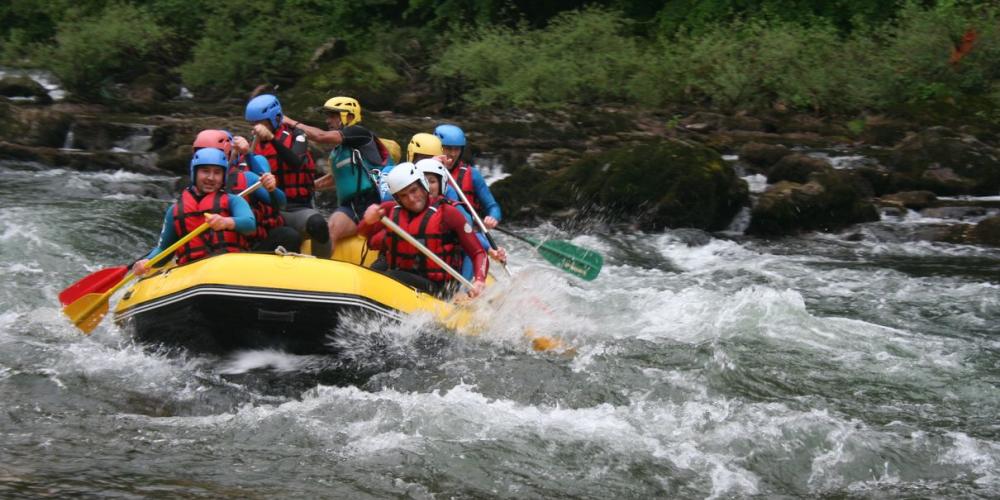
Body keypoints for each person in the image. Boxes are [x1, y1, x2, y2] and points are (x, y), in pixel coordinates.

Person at [357, 164, 488, 298]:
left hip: (438, 288)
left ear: (423, 185)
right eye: (404, 195)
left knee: (390, 277)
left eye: (414, 190)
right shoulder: (389, 210)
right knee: (373, 273)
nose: (412, 199)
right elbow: (362, 233)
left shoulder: (447, 213)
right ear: (398, 199)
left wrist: (479, 280)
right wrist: (368, 221)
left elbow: (478, 252)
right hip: (403, 278)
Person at [283, 96, 394, 252]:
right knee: (323, 229)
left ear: (348, 116)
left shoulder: (360, 134)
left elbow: (320, 136)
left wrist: (290, 122)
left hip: (368, 202)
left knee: (330, 230)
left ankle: (320, 272)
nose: (328, 120)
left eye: (333, 116)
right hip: (351, 205)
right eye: (328, 116)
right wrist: (310, 186)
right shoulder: (339, 150)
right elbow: (335, 178)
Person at [131, 148, 256, 275]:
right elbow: (164, 250)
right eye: (205, 171)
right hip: (191, 274)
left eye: (217, 172)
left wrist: (226, 222)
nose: (211, 177)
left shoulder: (233, 201)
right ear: (194, 173)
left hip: (230, 268)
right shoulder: (175, 211)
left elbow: (249, 224)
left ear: (223, 176)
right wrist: (148, 261)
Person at [245, 94, 330, 258]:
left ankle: (324, 266)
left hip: (297, 208)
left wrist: (271, 139)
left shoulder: (298, 136)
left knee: (318, 224)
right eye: (253, 123)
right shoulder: (254, 145)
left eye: (259, 123)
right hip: (271, 210)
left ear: (275, 118)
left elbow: (296, 162)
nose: (256, 128)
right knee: (288, 236)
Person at [415, 158, 506, 280]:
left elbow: (469, 233)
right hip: (415, 269)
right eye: (422, 181)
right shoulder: (402, 202)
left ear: (441, 184)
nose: (451, 154)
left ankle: (464, 289)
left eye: (432, 181)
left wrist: (490, 249)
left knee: (468, 247)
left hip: (442, 275)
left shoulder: (449, 209)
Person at [434, 124, 502, 229]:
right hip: (436, 229)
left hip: (467, 231)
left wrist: (493, 218)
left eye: (457, 149)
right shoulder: (424, 171)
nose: (453, 154)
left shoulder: (472, 174)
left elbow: (493, 207)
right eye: (447, 148)